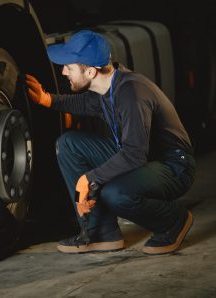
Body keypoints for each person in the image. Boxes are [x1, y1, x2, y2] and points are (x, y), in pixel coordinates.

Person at [25, 30, 195, 254]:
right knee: (68, 145)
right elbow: (81, 104)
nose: (63, 71)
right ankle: (101, 233)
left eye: (69, 66)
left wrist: (89, 179)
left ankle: (173, 221)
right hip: (142, 158)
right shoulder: (105, 89)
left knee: (115, 194)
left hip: (173, 165)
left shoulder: (131, 92)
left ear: (90, 71)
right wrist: (47, 99)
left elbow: (134, 154)